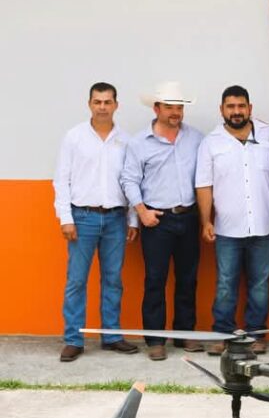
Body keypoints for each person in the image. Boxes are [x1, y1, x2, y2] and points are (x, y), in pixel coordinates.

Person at [54, 82, 138, 362]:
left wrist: (133, 219)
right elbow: (61, 180)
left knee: (113, 280)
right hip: (83, 217)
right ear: (89, 104)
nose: (102, 107)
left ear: (116, 105)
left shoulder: (126, 140)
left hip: (115, 218)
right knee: (77, 281)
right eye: (97, 101)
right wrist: (66, 218)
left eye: (107, 102)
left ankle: (111, 336)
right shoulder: (74, 137)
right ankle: (73, 339)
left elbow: (131, 181)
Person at [120, 81, 204, 361]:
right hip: (157, 220)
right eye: (169, 107)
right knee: (155, 280)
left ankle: (185, 334)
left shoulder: (196, 138)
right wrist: (142, 212)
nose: (175, 112)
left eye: (179, 107)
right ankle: (155, 340)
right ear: (156, 108)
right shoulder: (139, 143)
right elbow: (129, 180)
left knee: (188, 279)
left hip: (188, 217)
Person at [195, 85, 269, 356]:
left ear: (250, 108)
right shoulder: (211, 142)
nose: (236, 111)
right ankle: (222, 334)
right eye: (230, 107)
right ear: (222, 110)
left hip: (264, 225)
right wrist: (206, 221)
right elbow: (204, 185)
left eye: (241, 106)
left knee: (260, 284)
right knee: (226, 284)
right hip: (227, 228)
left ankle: (256, 334)